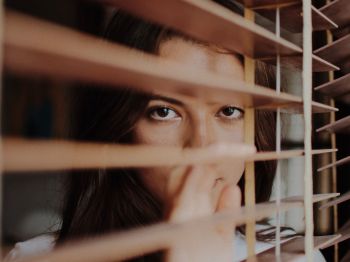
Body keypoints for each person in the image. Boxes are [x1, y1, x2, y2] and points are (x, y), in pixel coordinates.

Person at [6, 1, 326, 261]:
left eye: (229, 111)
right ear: (121, 128)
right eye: (164, 112)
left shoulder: (293, 258)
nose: (202, 146)